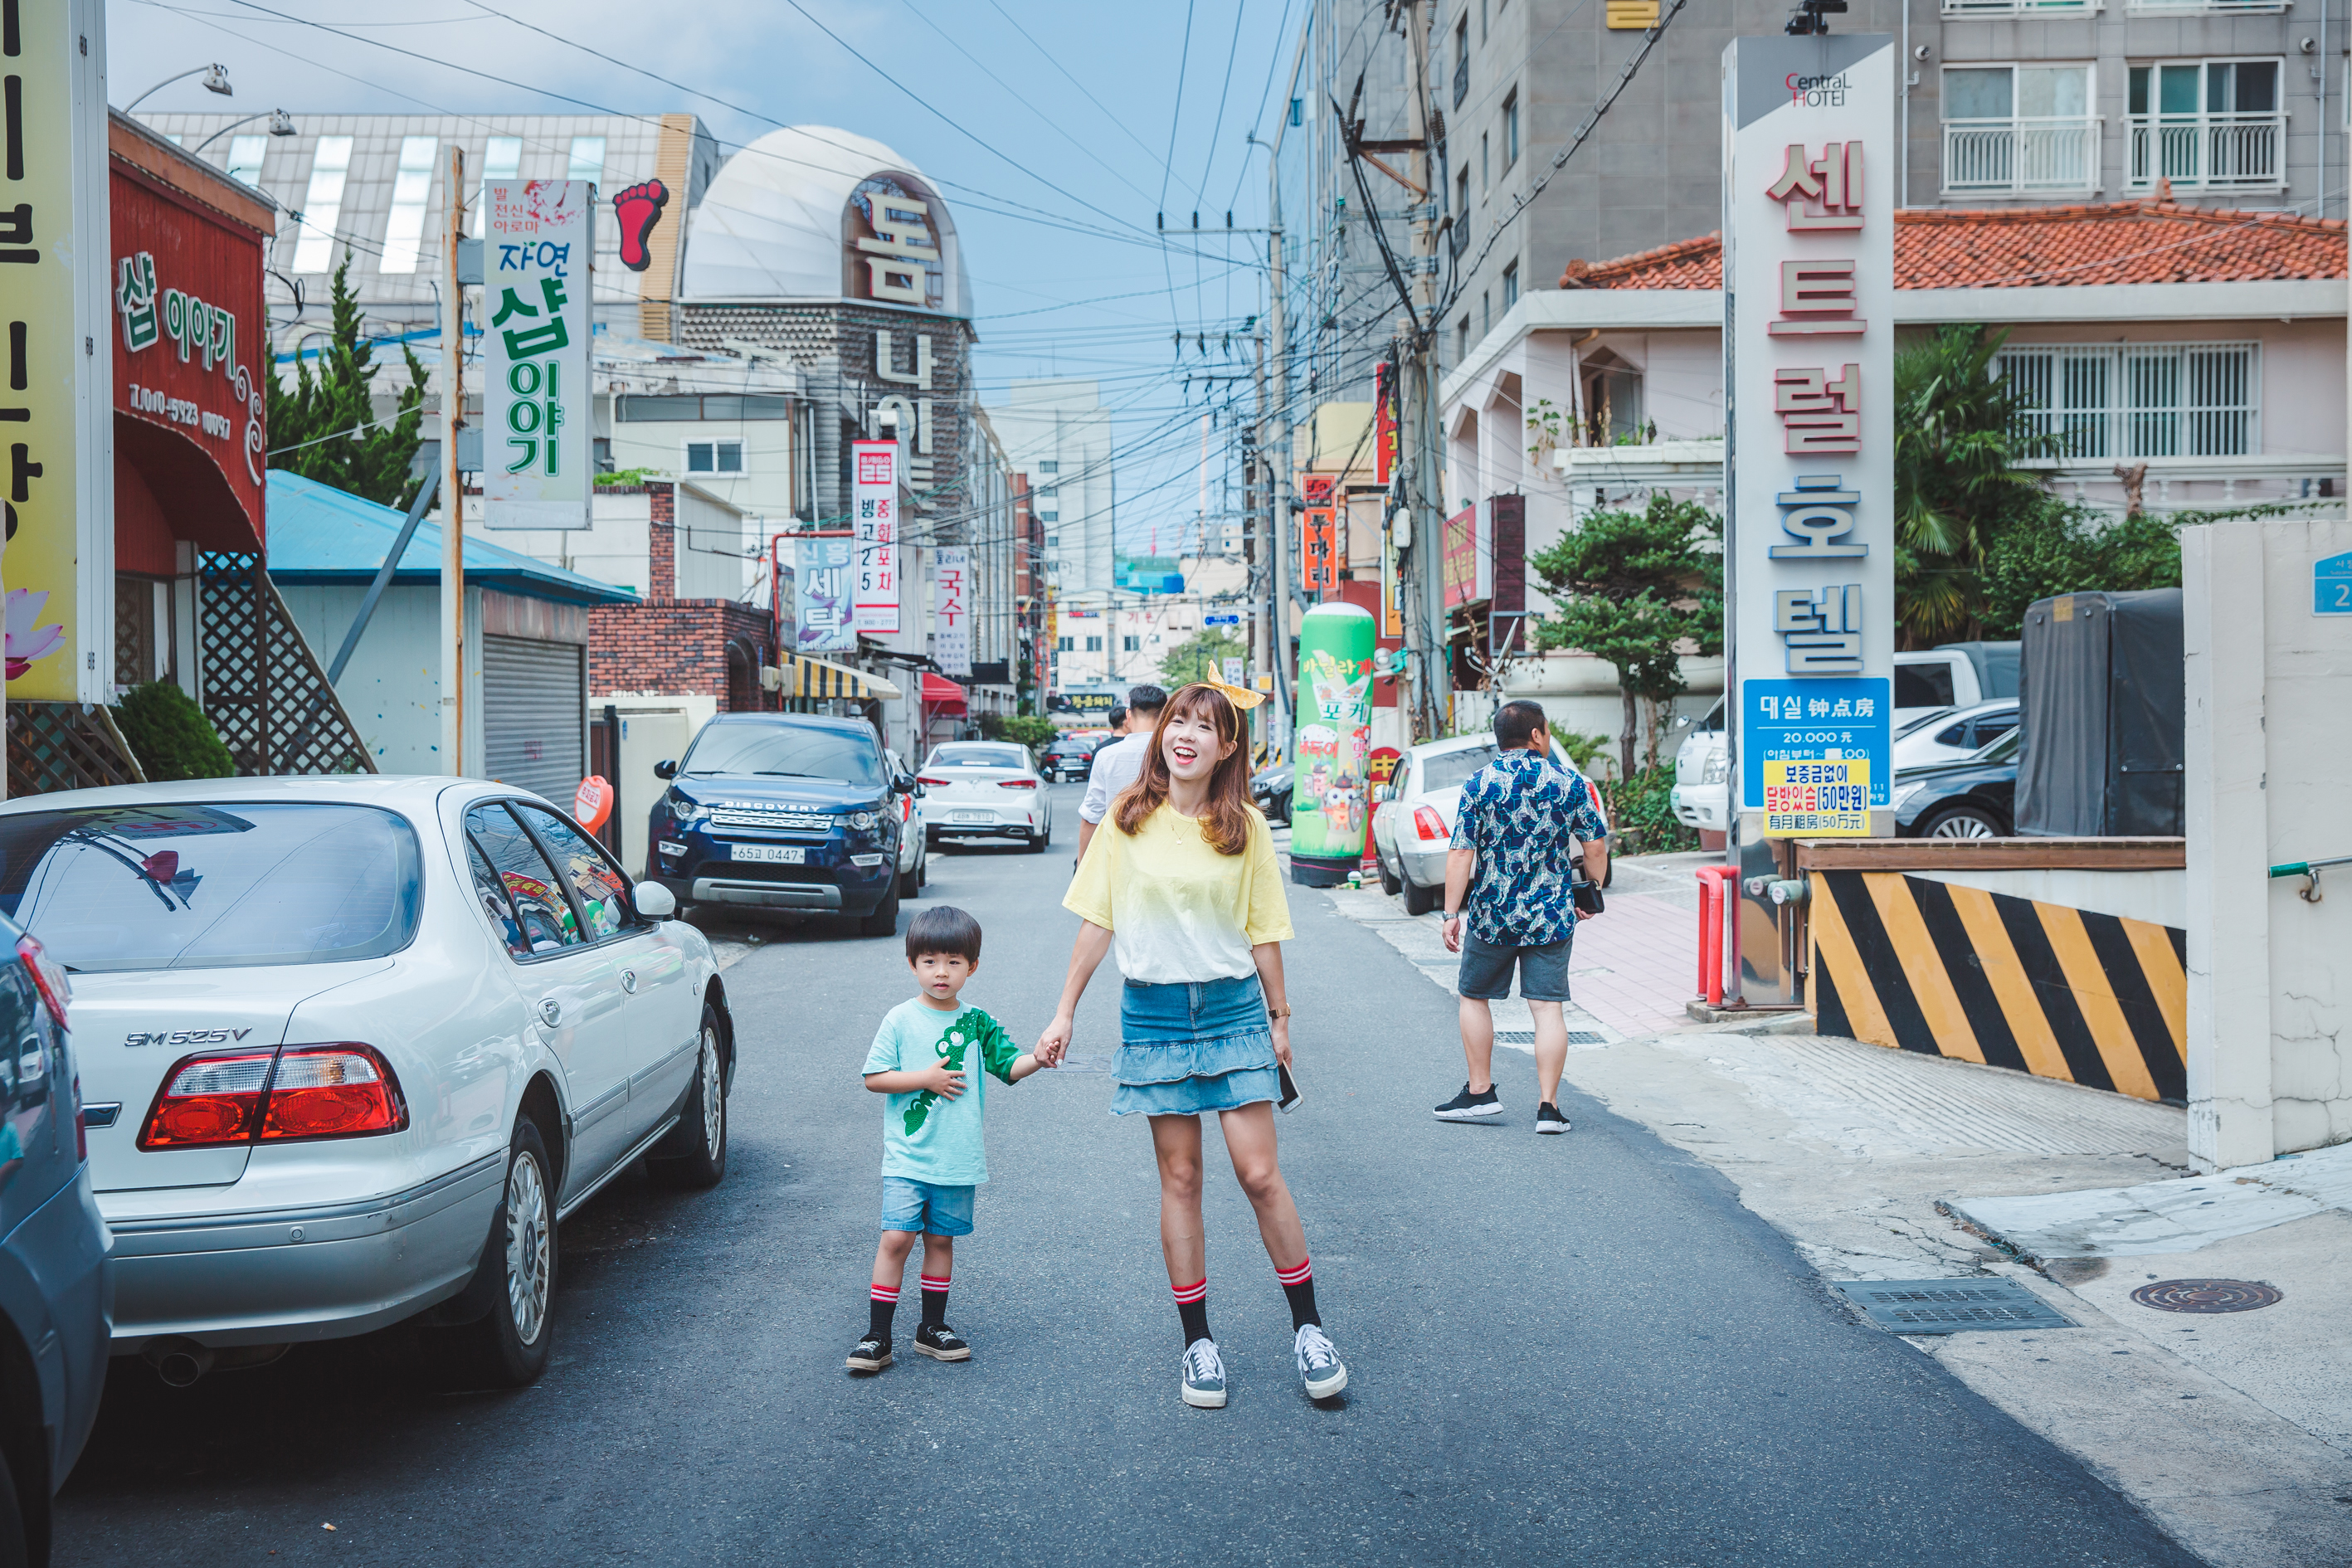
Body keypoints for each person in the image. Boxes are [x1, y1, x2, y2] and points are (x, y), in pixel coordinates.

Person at [1039, 680, 1347, 1410]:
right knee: (1180, 1180)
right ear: (1161, 734)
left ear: (1226, 747)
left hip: (1234, 1008)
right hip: (1153, 1015)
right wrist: (1063, 1014)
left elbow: (1264, 930)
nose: (1185, 734)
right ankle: (1198, 1344)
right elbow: (1096, 922)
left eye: (1203, 727)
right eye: (1177, 721)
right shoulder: (1126, 820)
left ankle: (1309, 1329)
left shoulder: (1245, 826)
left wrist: (1279, 1019)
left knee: (1260, 1175)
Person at [850, 905, 1049, 1373]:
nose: (942, 972)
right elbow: (874, 1078)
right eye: (930, 961)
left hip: (956, 1160)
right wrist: (926, 1079)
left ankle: (931, 1328)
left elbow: (1010, 1067)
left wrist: (1038, 1058)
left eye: (954, 962)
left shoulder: (978, 1022)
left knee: (941, 1242)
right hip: (907, 1157)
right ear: (912, 963)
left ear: (972, 966)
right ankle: (878, 1335)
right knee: (896, 1238)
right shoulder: (900, 1019)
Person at [1432, 699, 1610, 1133]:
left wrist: (1450, 913)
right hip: (1550, 913)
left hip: (1493, 914)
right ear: (1537, 734)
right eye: (1547, 732)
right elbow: (1595, 847)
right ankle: (1548, 1108)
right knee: (1547, 1009)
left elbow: (1460, 853)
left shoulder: (1480, 783)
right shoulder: (1569, 783)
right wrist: (1592, 889)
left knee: (1474, 997)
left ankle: (1480, 1093)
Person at [1075, 683, 1168, 861]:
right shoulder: (1174, 754)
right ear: (1165, 714)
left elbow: (1091, 816)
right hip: (1164, 853)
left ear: (1128, 715)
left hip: (1118, 855)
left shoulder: (1106, 755)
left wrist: (1081, 863)